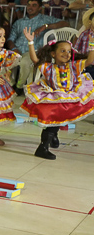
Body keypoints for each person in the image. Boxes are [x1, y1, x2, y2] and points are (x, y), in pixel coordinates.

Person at [21, 29, 94, 159]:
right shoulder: (48, 67)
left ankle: (53, 136)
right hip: (54, 99)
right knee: (52, 123)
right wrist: (31, 42)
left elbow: (89, 61)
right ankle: (42, 148)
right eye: (63, 51)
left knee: (61, 118)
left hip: (68, 97)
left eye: (69, 51)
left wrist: (92, 46)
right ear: (53, 54)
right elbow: (35, 59)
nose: (66, 54)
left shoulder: (74, 66)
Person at [7, 0, 69, 88]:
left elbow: (65, 24)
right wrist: (14, 48)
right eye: (29, 5)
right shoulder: (19, 22)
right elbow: (10, 39)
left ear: (40, 8)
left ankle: (19, 87)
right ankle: (10, 85)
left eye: (34, 5)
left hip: (33, 51)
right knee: (0, 62)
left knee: (25, 63)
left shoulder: (46, 19)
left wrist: (46, 26)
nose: (30, 7)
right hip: (17, 50)